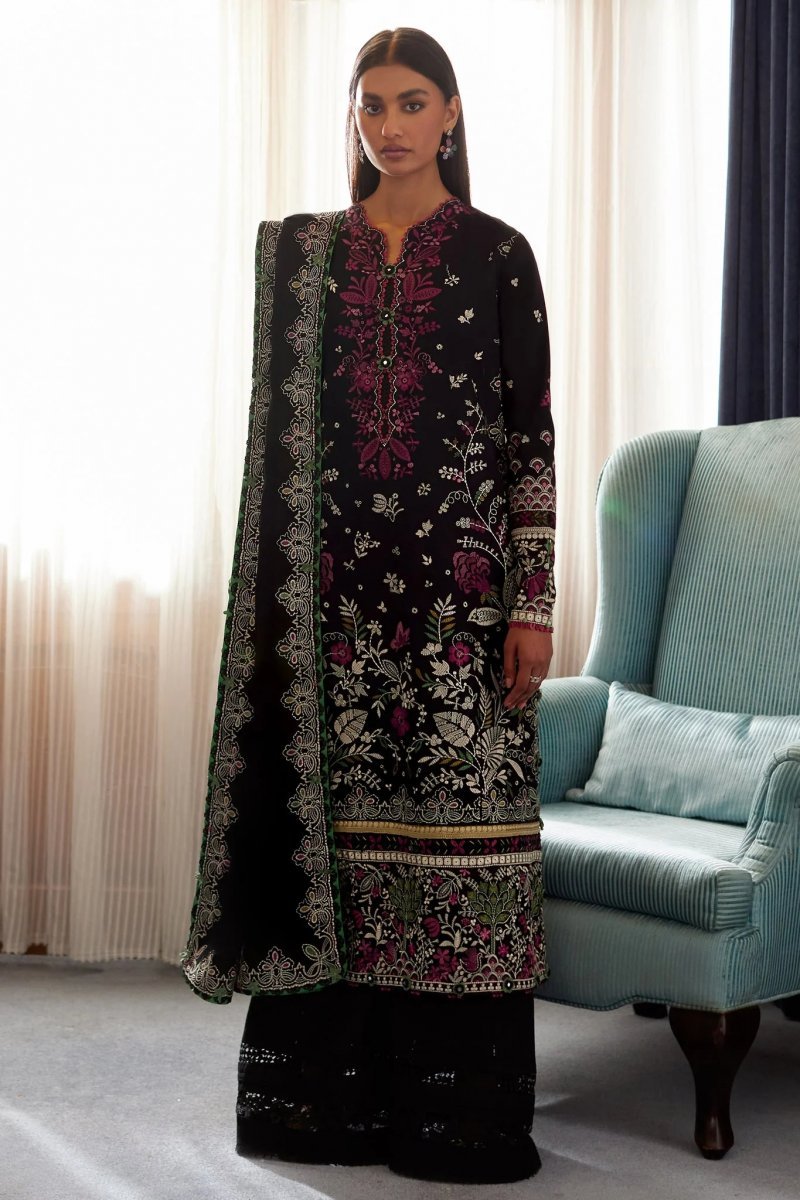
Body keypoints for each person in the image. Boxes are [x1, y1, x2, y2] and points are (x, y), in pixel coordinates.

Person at [182, 26, 556, 1186]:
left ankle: (457, 1122)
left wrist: (532, 603)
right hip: (329, 610)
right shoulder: (308, 256)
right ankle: (320, 1112)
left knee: (466, 843)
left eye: (409, 102)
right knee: (334, 851)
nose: (387, 125)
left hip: (460, 605)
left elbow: (528, 442)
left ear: (450, 113)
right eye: (369, 104)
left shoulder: (497, 253)